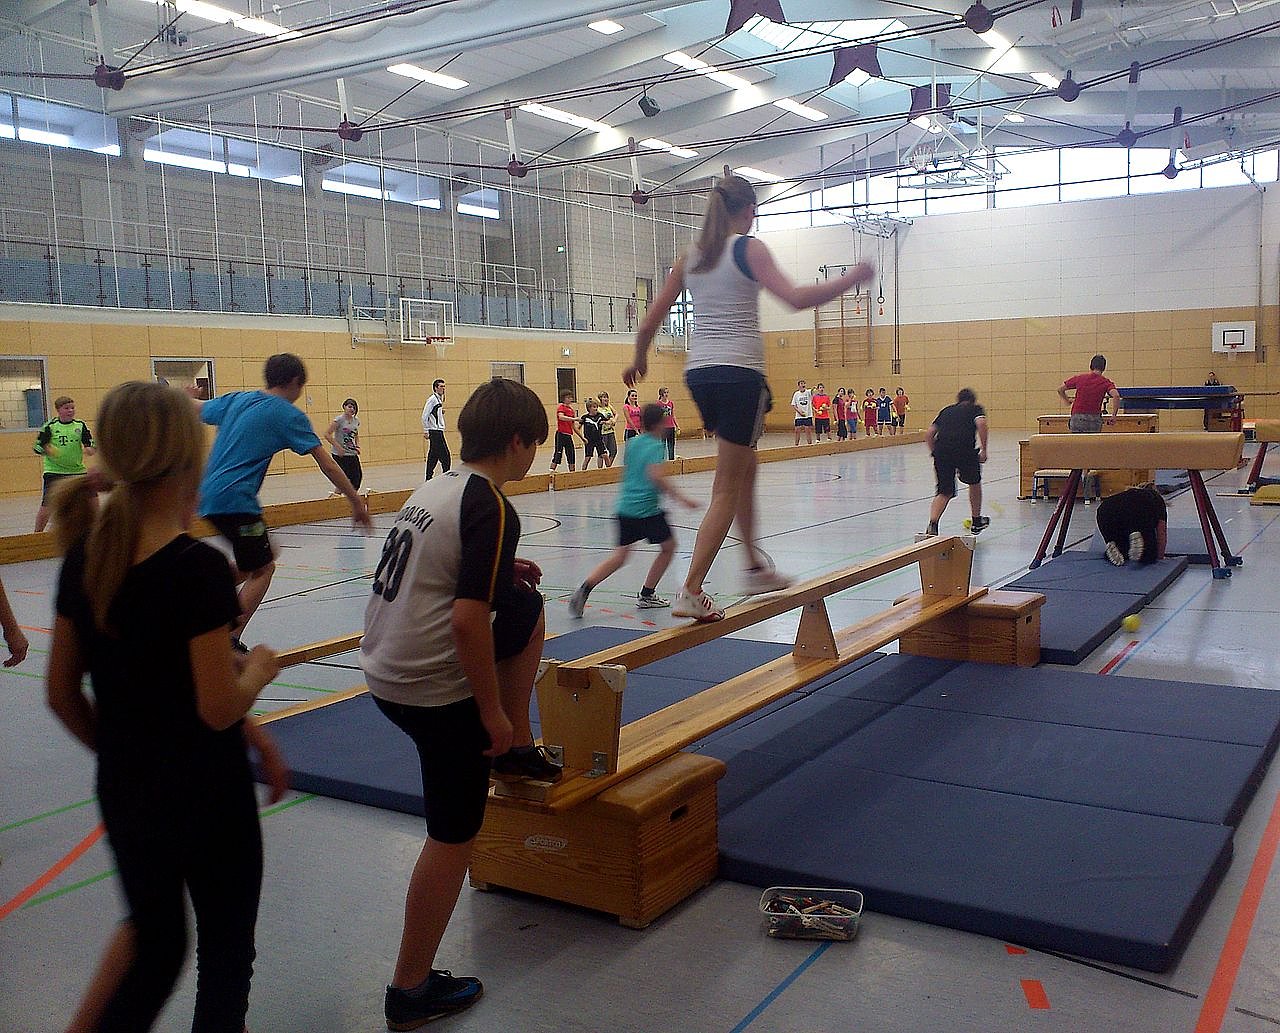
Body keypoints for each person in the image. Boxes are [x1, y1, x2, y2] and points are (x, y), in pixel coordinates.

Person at [45, 380, 286, 1033]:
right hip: (210, 797)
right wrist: (257, 670)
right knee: (225, 951)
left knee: (155, 945)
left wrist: (126, 755)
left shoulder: (86, 558)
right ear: (188, 460)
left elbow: (63, 693)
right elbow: (215, 707)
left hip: (128, 792)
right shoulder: (197, 569)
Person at [360, 378, 558, 1030]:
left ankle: (518, 750)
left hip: (384, 667)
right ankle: (409, 988)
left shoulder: (437, 486)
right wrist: (490, 713)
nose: (534, 455)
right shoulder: (493, 505)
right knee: (453, 836)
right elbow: (468, 621)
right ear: (517, 442)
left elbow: (437, 567)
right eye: (535, 445)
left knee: (525, 605)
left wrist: (501, 569)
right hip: (429, 686)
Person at [625, 173, 874, 622]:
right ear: (749, 211)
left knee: (746, 465)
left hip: (701, 374)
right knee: (727, 484)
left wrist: (639, 359)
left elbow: (649, 321)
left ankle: (754, 566)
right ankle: (691, 588)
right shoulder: (748, 248)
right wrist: (851, 278)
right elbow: (795, 298)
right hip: (739, 374)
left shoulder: (691, 257)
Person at [196, 353, 373, 645]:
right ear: (294, 381)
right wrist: (355, 501)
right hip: (235, 501)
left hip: (207, 498)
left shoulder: (238, 400)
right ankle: (228, 639)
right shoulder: (288, 415)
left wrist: (183, 396)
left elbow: (194, 408)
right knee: (264, 568)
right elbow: (328, 464)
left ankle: (206, 591)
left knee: (258, 558)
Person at [569, 403, 699, 617]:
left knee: (620, 557)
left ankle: (585, 588)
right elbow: (656, 476)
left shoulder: (632, 443)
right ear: (659, 424)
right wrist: (682, 499)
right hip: (646, 510)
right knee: (669, 547)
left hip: (625, 508)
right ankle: (647, 594)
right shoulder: (657, 446)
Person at [924, 388, 989, 536]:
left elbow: (929, 434)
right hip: (964, 451)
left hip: (942, 452)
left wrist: (935, 452)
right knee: (974, 482)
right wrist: (984, 450)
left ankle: (933, 524)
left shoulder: (946, 411)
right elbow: (981, 423)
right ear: (972, 400)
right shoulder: (975, 409)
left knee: (944, 491)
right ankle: (976, 521)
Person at [34, 395, 96, 533]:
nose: (70, 411)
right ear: (58, 410)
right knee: (47, 505)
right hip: (54, 472)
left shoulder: (80, 425)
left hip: (77, 471)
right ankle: (36, 534)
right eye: (66, 408)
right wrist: (46, 449)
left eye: (72, 408)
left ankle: (96, 530)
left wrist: (90, 449)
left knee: (92, 499)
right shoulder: (50, 426)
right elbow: (37, 447)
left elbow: (90, 444)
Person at [1097, 486, 1167, 567]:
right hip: (1136, 510)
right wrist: (1160, 556)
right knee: (1149, 555)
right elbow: (1162, 531)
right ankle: (1135, 533)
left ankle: (1112, 542)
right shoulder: (1156, 499)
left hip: (1104, 510)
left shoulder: (1125, 495)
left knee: (1122, 544)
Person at [1058, 354, 1119, 433]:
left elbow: (1060, 389)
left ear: (1091, 366)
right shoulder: (1105, 382)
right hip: (1094, 419)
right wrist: (1114, 416)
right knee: (1093, 441)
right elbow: (1116, 395)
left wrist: (1067, 400)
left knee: (1077, 440)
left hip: (1078, 417)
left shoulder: (1080, 378)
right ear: (1104, 368)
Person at [325, 397, 363, 492]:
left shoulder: (356, 421)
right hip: (340, 455)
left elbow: (355, 434)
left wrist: (357, 445)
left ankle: (351, 497)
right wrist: (338, 447)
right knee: (344, 479)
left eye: (354, 408)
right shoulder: (339, 420)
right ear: (344, 407)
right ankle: (335, 497)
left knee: (357, 478)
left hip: (351, 453)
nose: (352, 409)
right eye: (349, 407)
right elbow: (327, 434)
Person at [422, 379, 451, 480]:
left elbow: (434, 413)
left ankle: (428, 478)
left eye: (444, 386)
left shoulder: (438, 399)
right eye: (441, 386)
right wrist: (426, 430)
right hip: (435, 432)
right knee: (446, 457)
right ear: (435, 388)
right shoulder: (432, 399)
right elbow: (425, 415)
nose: (443, 388)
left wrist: (440, 412)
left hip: (438, 431)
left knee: (433, 456)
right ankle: (446, 478)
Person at [549, 390, 578, 473]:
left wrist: (582, 437)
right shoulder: (561, 407)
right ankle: (551, 472)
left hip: (568, 435)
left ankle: (572, 473)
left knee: (571, 454)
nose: (570, 399)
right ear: (563, 399)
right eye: (568, 398)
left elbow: (573, 426)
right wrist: (574, 419)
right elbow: (561, 417)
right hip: (561, 434)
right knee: (558, 454)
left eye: (571, 397)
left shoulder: (571, 410)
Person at [577, 397, 607, 470]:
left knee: (605, 455)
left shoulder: (600, 415)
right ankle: (583, 471)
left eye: (596, 407)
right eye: (594, 407)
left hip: (599, 439)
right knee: (588, 457)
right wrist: (582, 438)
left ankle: (607, 470)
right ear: (589, 408)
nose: (596, 408)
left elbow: (608, 421)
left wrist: (607, 422)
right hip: (589, 440)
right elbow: (577, 428)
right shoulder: (585, 417)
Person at [596, 391, 619, 468]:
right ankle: (600, 470)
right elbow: (599, 419)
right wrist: (607, 422)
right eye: (604, 397)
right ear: (600, 399)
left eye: (607, 397)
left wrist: (614, 420)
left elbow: (616, 414)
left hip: (610, 431)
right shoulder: (598, 408)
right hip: (602, 433)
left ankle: (608, 466)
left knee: (613, 450)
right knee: (602, 453)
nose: (606, 399)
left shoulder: (609, 406)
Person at [657, 387, 679, 460]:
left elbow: (673, 415)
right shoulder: (658, 404)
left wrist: (677, 425)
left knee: (671, 445)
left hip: (671, 426)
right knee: (662, 445)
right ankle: (661, 460)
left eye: (667, 392)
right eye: (664, 392)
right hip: (662, 428)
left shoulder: (671, 403)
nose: (666, 394)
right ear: (661, 394)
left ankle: (671, 460)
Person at [791, 379, 813, 445]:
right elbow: (794, 405)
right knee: (797, 430)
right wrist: (799, 412)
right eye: (801, 383)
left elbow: (812, 391)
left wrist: (814, 388)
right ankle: (796, 444)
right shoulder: (796, 394)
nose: (803, 385)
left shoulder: (808, 392)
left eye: (804, 383)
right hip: (799, 416)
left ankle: (810, 445)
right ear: (799, 386)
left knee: (808, 430)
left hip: (808, 415)